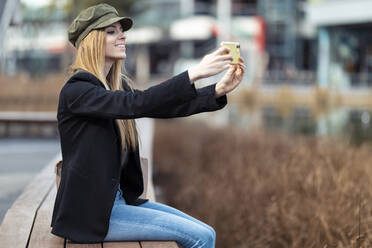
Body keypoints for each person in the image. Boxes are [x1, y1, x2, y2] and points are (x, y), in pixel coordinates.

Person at [50, 3, 245, 248]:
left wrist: (216, 91)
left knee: (208, 232)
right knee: (202, 238)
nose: (122, 35)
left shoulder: (116, 87)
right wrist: (194, 72)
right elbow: (139, 103)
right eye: (111, 31)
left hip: (116, 203)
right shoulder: (77, 90)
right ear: (92, 41)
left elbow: (158, 106)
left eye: (121, 30)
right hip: (91, 215)